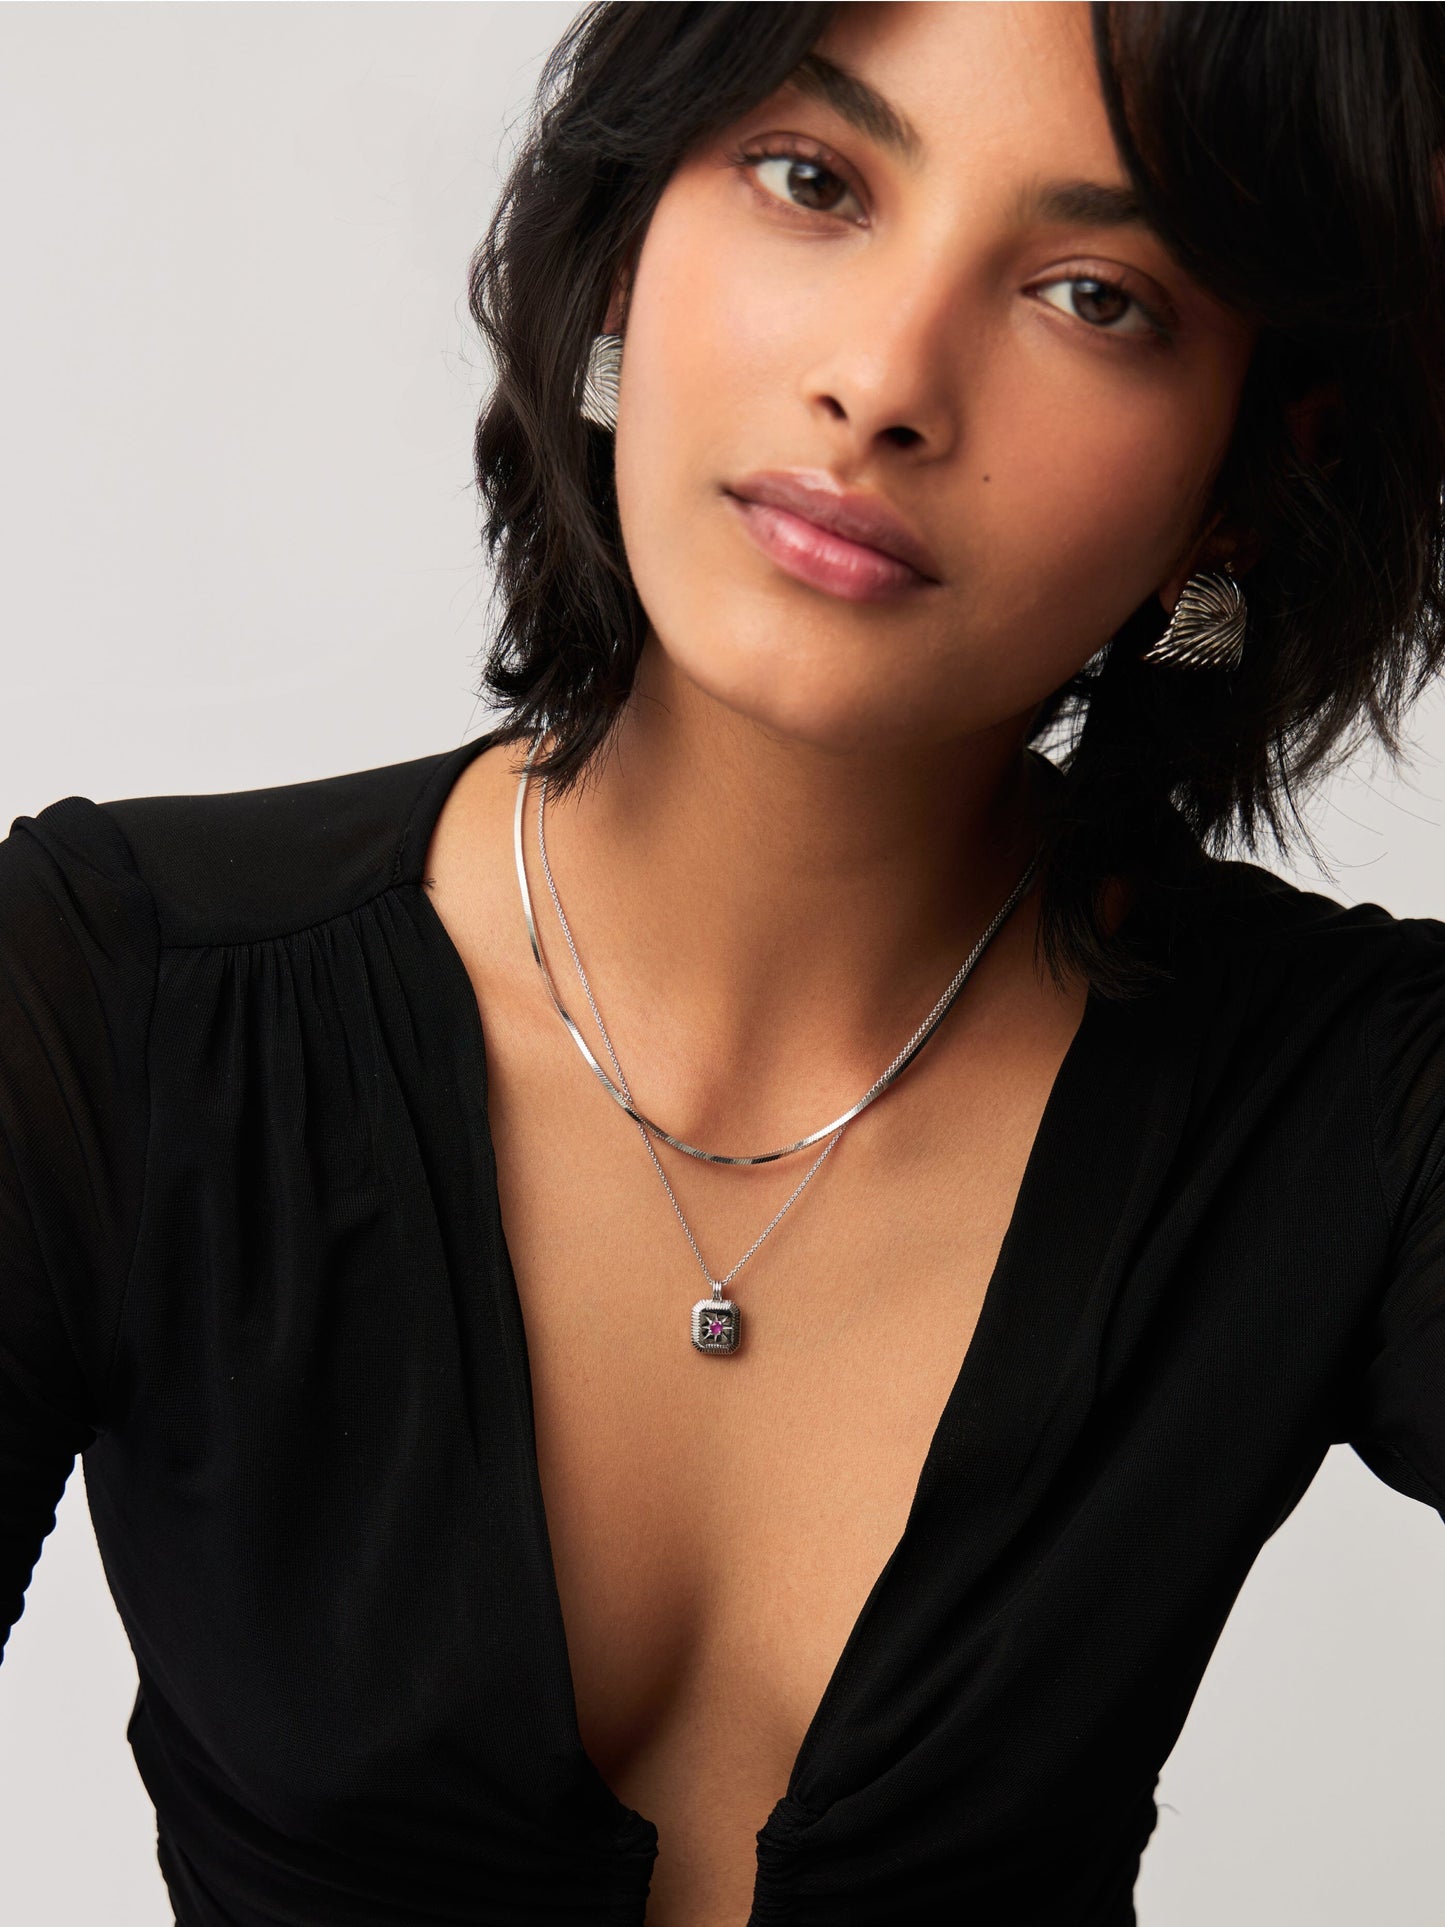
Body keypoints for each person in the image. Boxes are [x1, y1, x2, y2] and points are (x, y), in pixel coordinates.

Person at [2, 3, 1443, 1922]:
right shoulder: (114, 995)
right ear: (624, 239)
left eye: (1094, 296)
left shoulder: (1357, 1110)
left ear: (1250, 475)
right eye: (811, 180)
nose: (883, 381)